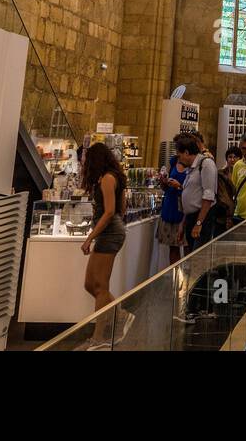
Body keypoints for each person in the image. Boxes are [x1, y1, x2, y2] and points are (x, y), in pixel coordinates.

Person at [80, 142, 132, 346]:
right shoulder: (105, 177)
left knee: (101, 286)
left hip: (109, 233)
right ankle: (121, 315)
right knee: (89, 284)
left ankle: (99, 336)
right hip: (107, 232)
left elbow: (110, 211)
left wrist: (90, 237)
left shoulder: (108, 178)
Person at [177, 134, 218, 251]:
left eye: (179, 156)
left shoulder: (206, 164)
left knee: (198, 257)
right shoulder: (191, 168)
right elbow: (189, 194)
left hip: (202, 218)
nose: (178, 159)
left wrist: (199, 223)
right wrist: (183, 222)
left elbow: (208, 196)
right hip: (191, 218)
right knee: (190, 256)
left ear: (186, 153)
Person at [158, 140, 189, 262]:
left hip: (184, 209)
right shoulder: (173, 161)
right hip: (170, 206)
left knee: (187, 247)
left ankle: (188, 277)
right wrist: (163, 182)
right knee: (173, 248)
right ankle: (175, 276)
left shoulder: (193, 165)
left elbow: (193, 189)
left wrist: (179, 186)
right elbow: (165, 188)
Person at [215, 146, 241, 232]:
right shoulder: (221, 174)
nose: (232, 160)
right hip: (222, 213)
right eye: (230, 157)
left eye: (235, 157)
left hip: (239, 213)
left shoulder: (243, 175)